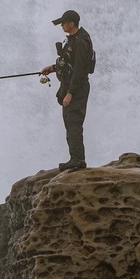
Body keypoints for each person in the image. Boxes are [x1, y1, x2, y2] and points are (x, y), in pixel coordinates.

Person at [39, 9, 96, 171]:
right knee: (69, 123)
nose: (62, 25)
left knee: (74, 123)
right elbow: (68, 63)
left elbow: (79, 70)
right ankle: (74, 158)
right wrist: (52, 68)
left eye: (63, 23)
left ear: (72, 24)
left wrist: (70, 93)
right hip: (69, 86)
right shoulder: (73, 39)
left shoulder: (81, 41)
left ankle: (78, 160)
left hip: (77, 88)